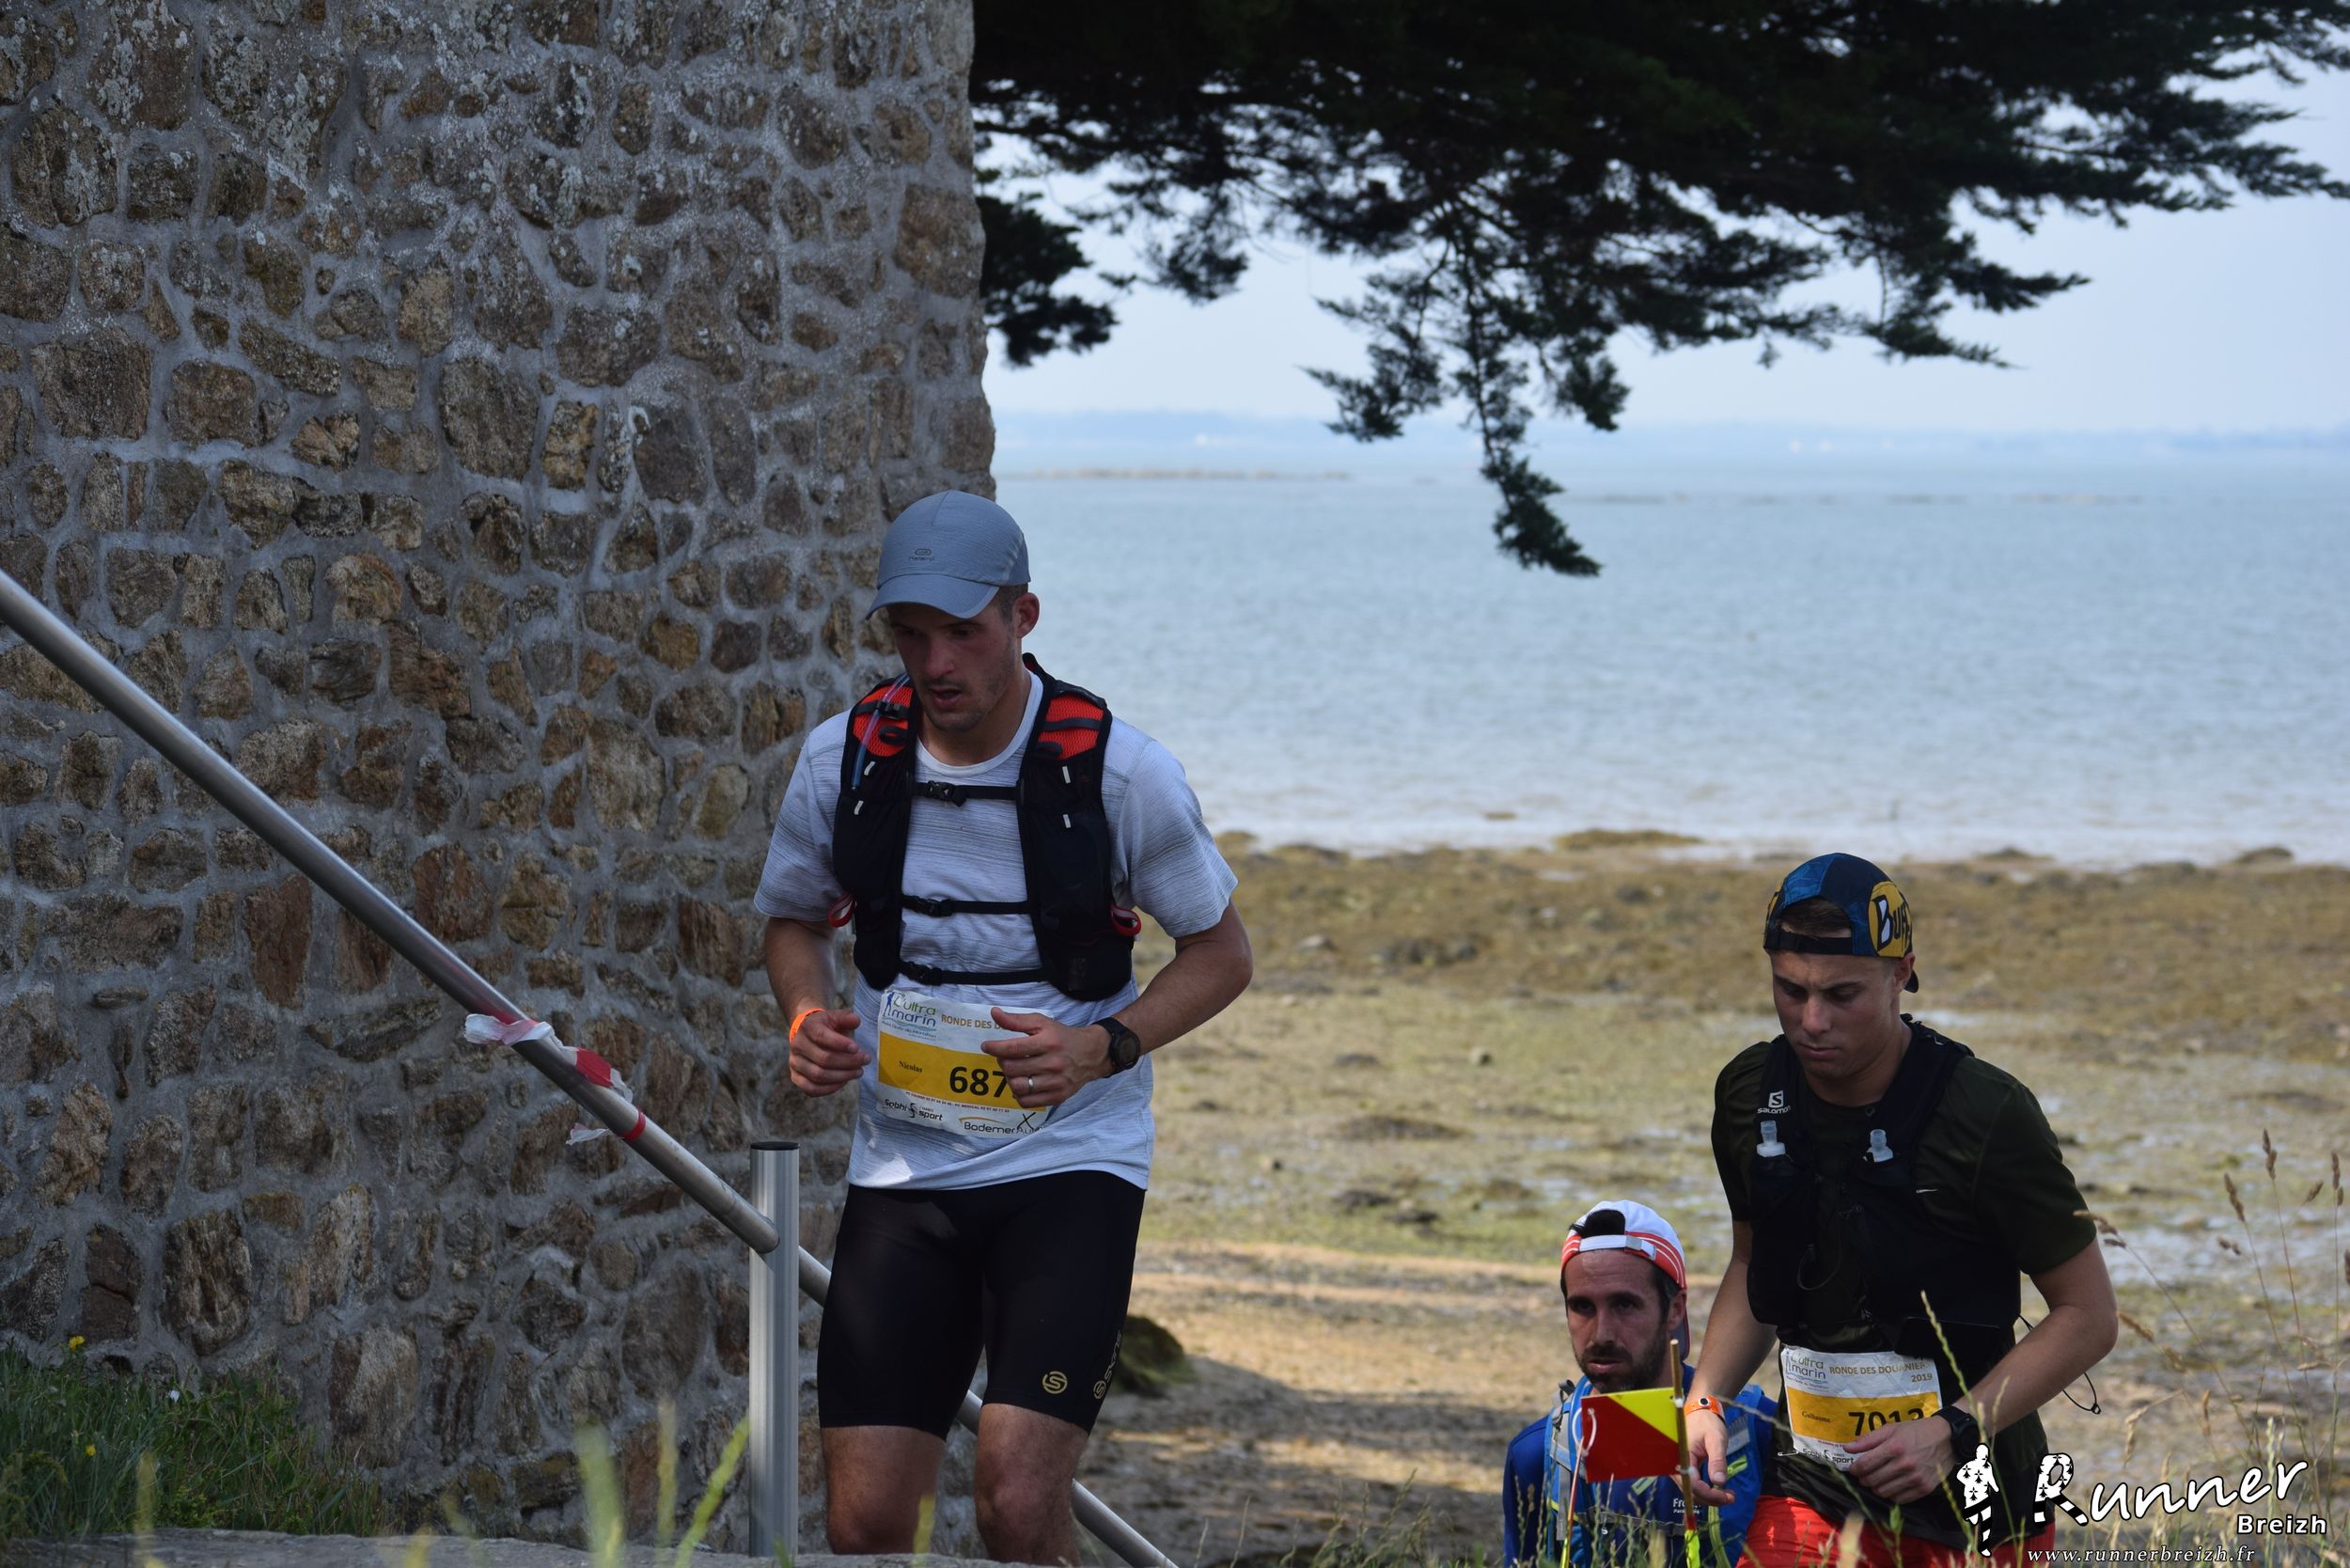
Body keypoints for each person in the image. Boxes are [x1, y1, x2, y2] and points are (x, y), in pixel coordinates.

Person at [754, 491, 1254, 1564]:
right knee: (865, 1529)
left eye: (963, 632)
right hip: (905, 1174)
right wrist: (806, 1014)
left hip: (1069, 1170)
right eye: (910, 635)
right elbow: (793, 920)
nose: (935, 663)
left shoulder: (1122, 773)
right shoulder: (843, 761)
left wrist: (1103, 1046)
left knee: (1019, 1506)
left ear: (1022, 617)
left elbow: (1222, 954)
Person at [1684, 854, 2117, 1566]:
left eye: (1842, 994)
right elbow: (1754, 1263)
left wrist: (1952, 1430)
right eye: (1790, 990)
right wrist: (1706, 1399)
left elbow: (2089, 1316)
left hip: (1983, 1505)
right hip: (1812, 1489)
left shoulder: (1986, 1113)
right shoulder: (1749, 1095)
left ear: (1900, 973)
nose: (1812, 1021)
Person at [1503, 1200, 1774, 1568]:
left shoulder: (1759, 1433)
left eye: (1624, 1305)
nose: (1602, 1333)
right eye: (1582, 1307)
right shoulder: (1538, 1455)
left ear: (1675, 1309)